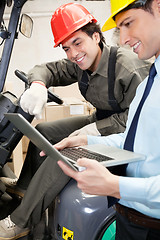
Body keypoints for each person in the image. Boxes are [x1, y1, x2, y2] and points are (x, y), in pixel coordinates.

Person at [0, 2, 152, 240]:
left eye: (77, 43)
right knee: (45, 130)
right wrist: (38, 85)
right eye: (66, 48)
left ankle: (20, 221)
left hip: (122, 132)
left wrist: (95, 129)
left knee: (63, 157)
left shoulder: (128, 67)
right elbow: (47, 69)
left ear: (96, 36)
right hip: (100, 120)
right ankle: (25, 187)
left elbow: (138, 119)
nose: (72, 54)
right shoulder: (81, 63)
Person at [55, 0, 160, 239]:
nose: (123, 39)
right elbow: (134, 141)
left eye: (129, 23)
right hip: (129, 218)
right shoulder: (147, 85)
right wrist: (87, 141)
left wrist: (115, 186)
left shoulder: (135, 72)